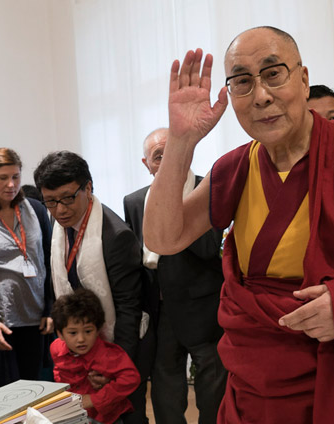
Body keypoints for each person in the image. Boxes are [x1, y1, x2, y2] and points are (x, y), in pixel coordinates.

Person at [143, 27, 334, 423]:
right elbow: (162, 238)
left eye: (274, 73)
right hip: (254, 383)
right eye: (242, 82)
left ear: (303, 79)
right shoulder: (236, 168)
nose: (260, 96)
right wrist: (182, 140)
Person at [33, 150, 145, 422]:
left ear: (89, 188)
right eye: (50, 202)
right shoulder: (60, 220)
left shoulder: (116, 236)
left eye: (68, 198)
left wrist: (115, 368)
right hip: (84, 345)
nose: (60, 210)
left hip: (119, 348)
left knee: (127, 414)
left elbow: (130, 309)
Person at [124, 128, 227, 424]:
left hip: (203, 309)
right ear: (147, 164)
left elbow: (209, 249)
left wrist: (176, 202)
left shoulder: (206, 189)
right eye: (159, 156)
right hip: (160, 311)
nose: (167, 160)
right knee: (166, 389)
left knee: (212, 388)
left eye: (173, 151)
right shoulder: (134, 202)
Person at [0, 147, 53, 388]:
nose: (11, 184)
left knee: (34, 387)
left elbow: (48, 261)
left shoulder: (36, 208)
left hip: (35, 318)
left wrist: (49, 307)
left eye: (15, 176)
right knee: (4, 391)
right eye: (2, 178)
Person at [51, 288, 141, 424]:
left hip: (105, 417)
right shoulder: (56, 348)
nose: (81, 339)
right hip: (73, 412)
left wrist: (95, 399)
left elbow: (131, 378)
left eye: (88, 331)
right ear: (60, 334)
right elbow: (58, 371)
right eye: (73, 333)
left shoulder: (107, 355)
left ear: (98, 329)